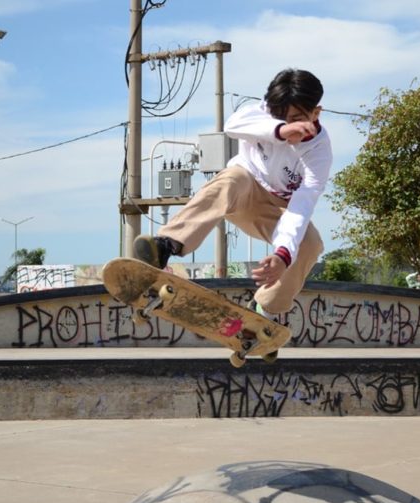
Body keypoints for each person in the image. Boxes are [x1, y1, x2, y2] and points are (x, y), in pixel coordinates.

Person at [134, 68, 332, 322]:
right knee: (233, 178)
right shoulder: (262, 111)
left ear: (316, 113)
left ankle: (264, 310)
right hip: (244, 190)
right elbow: (232, 125)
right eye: (279, 118)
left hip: (277, 209)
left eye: (295, 119)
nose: (287, 125)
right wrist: (279, 131)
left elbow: (302, 206)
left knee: (311, 243)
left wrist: (282, 255)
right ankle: (166, 245)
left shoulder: (319, 152)